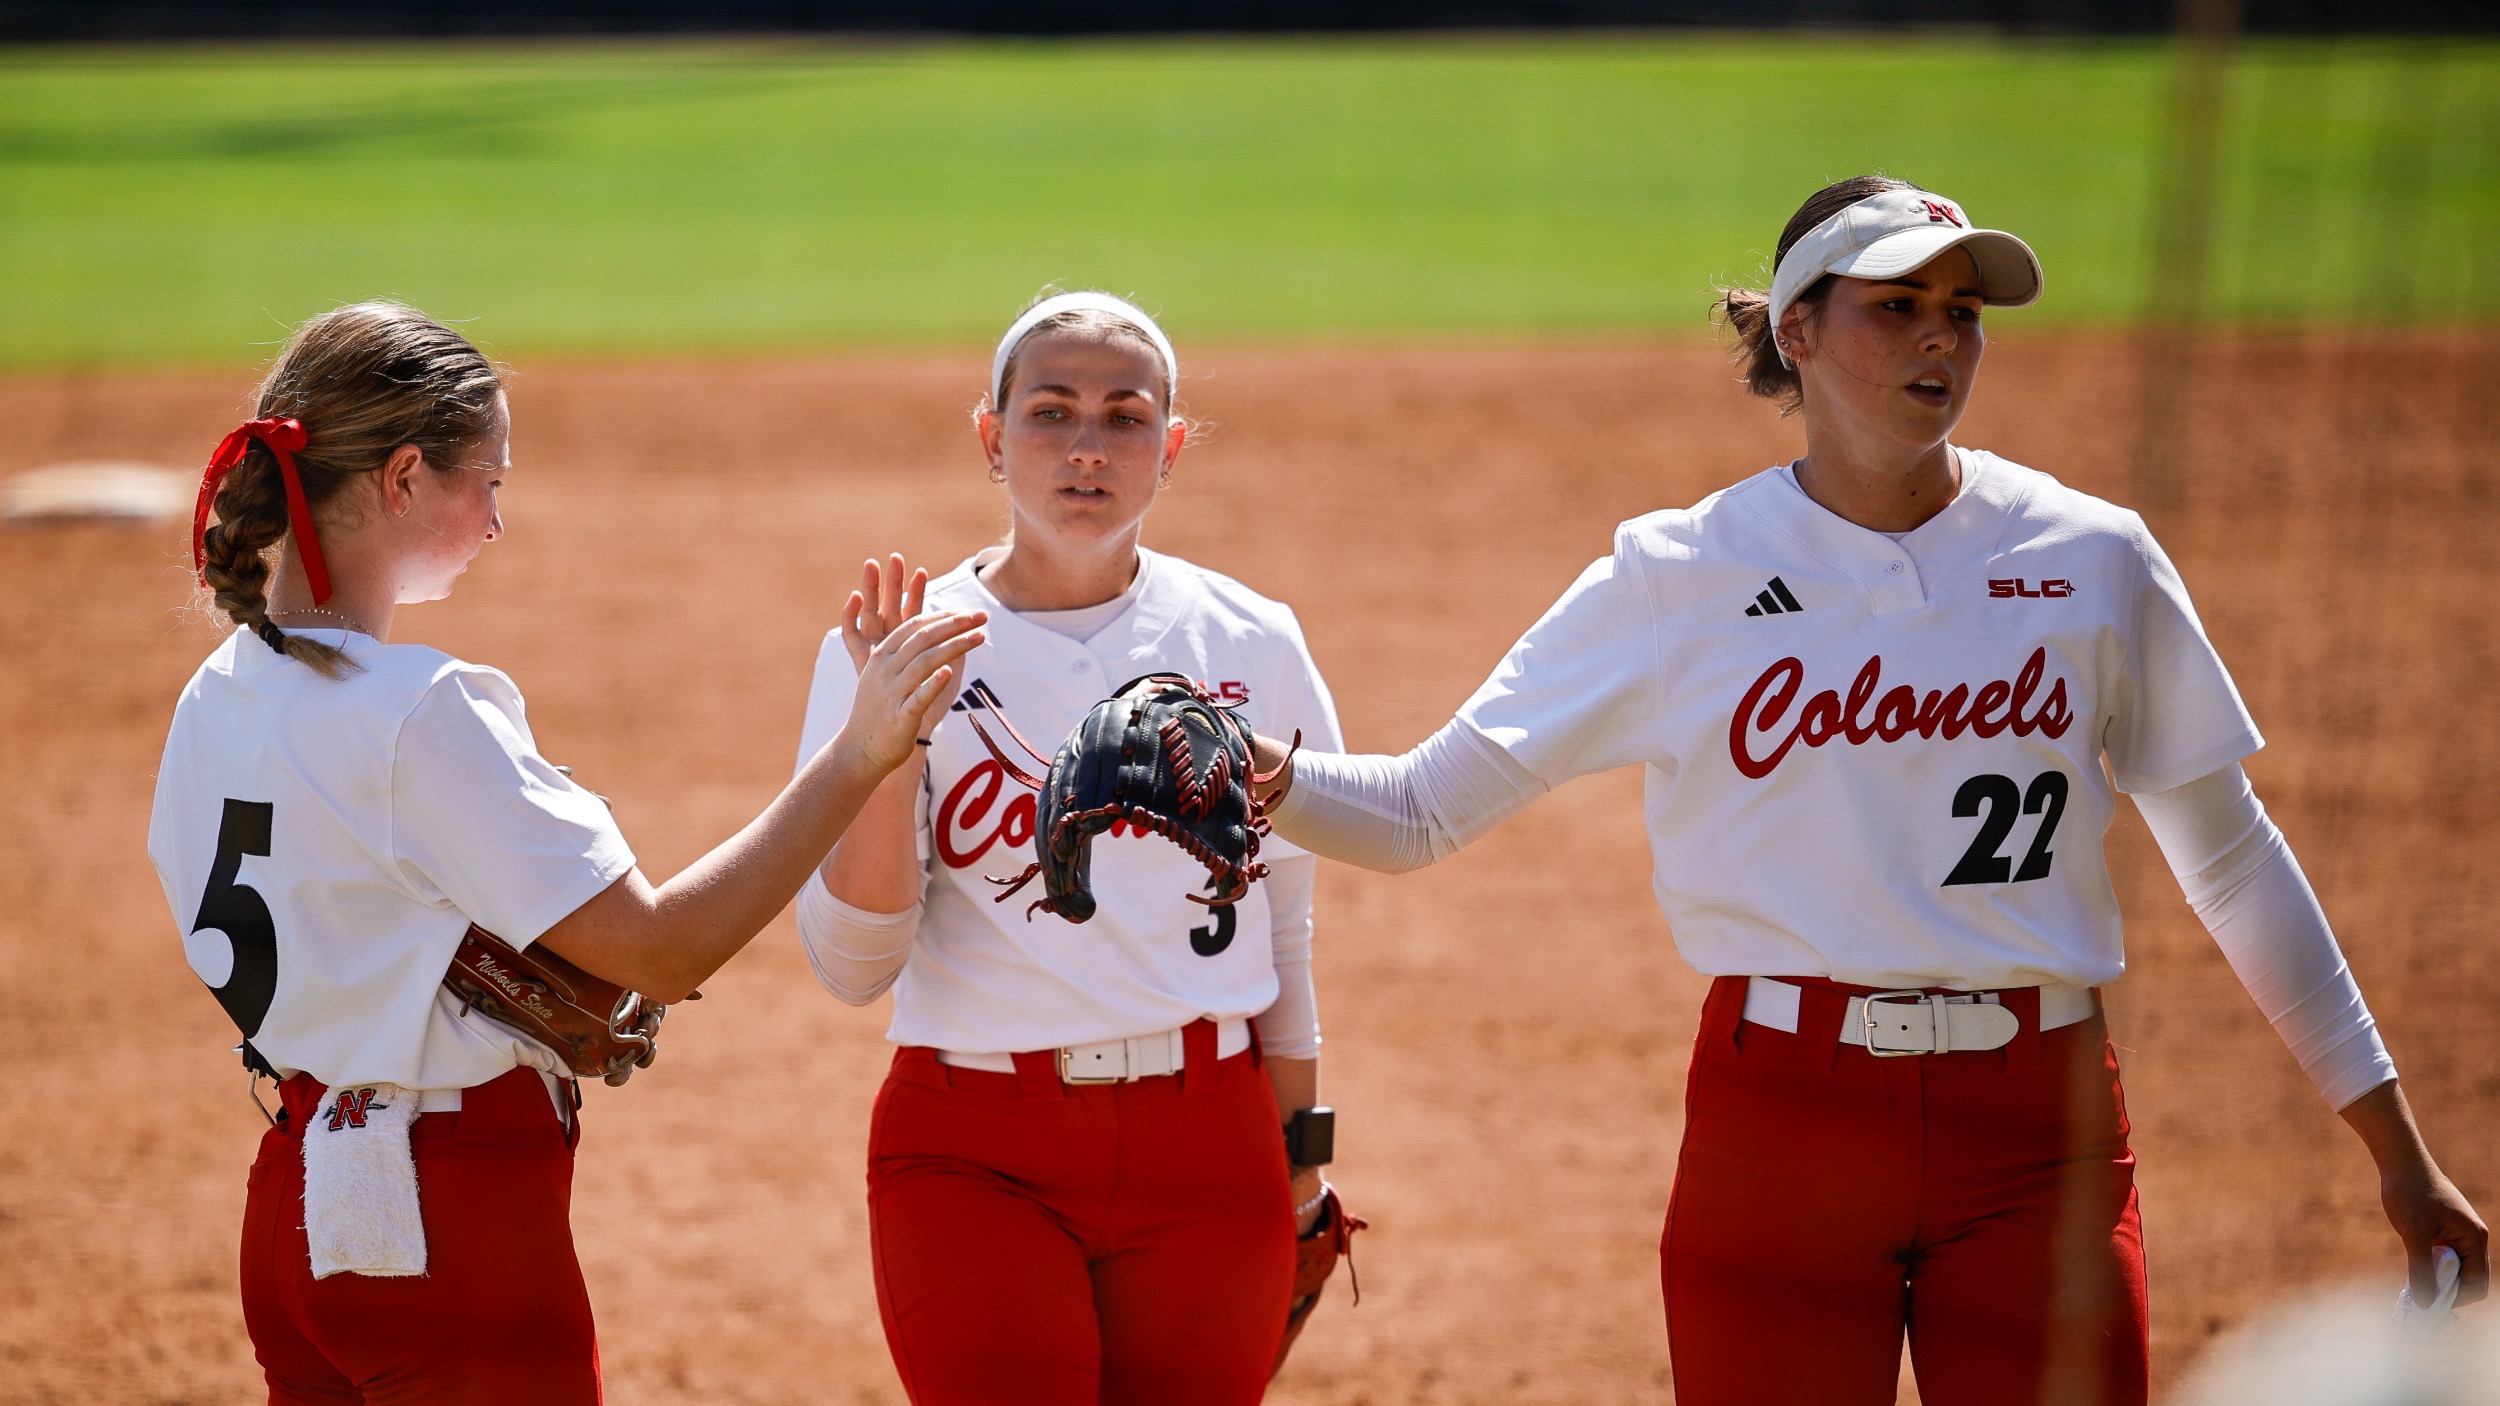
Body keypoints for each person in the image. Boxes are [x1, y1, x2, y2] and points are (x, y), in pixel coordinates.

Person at [1241, 178, 2490, 1405]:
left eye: (1963, 307)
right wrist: (1267, 778)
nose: (1942, 333)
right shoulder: (1679, 574)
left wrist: (2395, 1147)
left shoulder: (2090, 555)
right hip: (1781, 1125)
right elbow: (1421, 808)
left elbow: (2228, 857)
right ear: (1797, 329)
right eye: (1896, 304)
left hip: (2039, 1133)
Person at [146, 301, 983, 1403]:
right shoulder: (418, 708)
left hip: (297, 1202)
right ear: (403, 480)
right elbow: (665, 949)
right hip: (456, 1227)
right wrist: (859, 753)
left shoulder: (216, 694)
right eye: (486, 481)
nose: (495, 519)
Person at [793, 291, 1346, 1404]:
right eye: (1050, 413)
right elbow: (854, 968)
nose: (1087, 448)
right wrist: (886, 751)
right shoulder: (896, 652)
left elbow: (1282, 916)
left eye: (1126, 417)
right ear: (991, 439)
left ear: (1171, 447)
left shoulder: (1248, 637)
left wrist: (1302, 1153)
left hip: (1212, 1143)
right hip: (973, 1147)